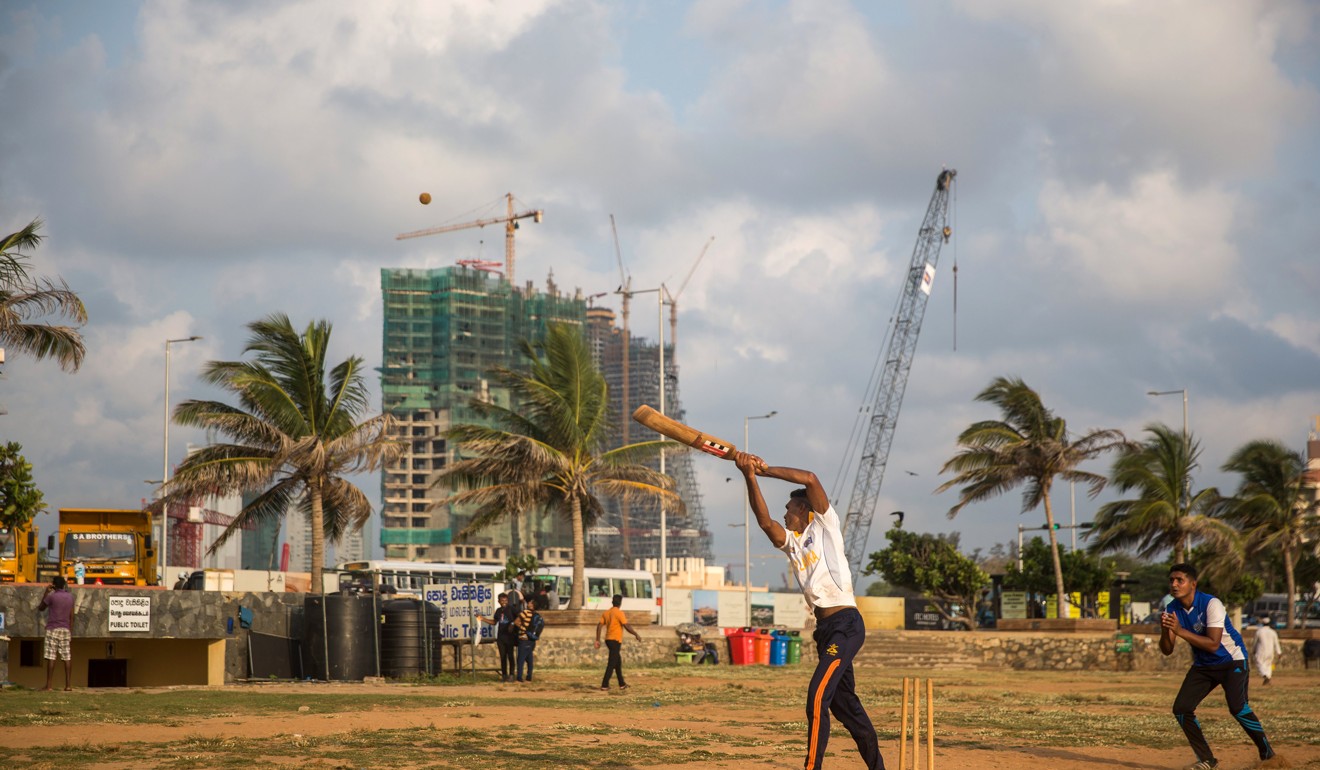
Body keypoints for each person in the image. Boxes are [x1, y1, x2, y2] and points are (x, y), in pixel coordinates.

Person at [734, 451, 883, 770]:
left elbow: (811, 478)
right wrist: (749, 476)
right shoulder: (792, 542)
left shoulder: (826, 526)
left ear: (804, 509)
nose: (784, 514)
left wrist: (764, 469)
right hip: (825, 631)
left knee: (817, 697)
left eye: (788, 509)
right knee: (846, 708)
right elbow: (764, 522)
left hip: (846, 624)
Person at [1161, 563, 1284, 769]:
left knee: (1237, 708)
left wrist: (1180, 631)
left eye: (1179, 580)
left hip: (1232, 661)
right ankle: (1207, 760)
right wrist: (1167, 630)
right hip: (1204, 665)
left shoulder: (1211, 603)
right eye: (1171, 580)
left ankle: (1267, 752)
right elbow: (1167, 650)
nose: (1174, 584)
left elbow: (1213, 643)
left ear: (1193, 584)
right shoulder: (1172, 608)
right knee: (1181, 709)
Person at [596, 593, 641, 691]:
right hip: (615, 640)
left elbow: (599, 625)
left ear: (612, 602)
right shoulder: (619, 613)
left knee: (617, 662)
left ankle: (622, 684)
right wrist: (636, 634)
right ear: (620, 603)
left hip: (608, 640)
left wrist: (597, 639)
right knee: (612, 663)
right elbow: (626, 626)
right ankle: (604, 685)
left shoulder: (606, 613)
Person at [38, 576, 75, 691]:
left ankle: (49, 685)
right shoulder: (70, 597)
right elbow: (72, 616)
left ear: (54, 585)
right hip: (65, 629)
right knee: (67, 657)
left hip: (53, 628)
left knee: (51, 656)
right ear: (64, 585)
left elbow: (41, 608)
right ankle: (68, 685)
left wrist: (46, 592)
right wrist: (70, 630)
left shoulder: (51, 597)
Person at [476, 593, 517, 682]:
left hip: (509, 636)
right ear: (499, 601)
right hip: (501, 637)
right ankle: (504, 675)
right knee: (503, 657)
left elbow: (519, 617)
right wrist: (483, 619)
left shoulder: (511, 609)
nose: (504, 602)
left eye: (505, 600)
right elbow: (494, 622)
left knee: (510, 655)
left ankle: (512, 674)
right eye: (502, 601)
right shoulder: (498, 611)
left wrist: (513, 624)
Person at [512, 599, 542, 683]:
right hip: (531, 639)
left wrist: (522, 629)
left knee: (520, 659)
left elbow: (516, 622)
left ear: (532, 605)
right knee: (529, 659)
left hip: (523, 638)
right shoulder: (537, 615)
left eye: (529, 602)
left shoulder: (525, 613)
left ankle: (519, 677)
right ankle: (529, 677)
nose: (528, 603)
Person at [1252, 615, 1281, 686]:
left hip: (1261, 651)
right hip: (1270, 652)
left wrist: (1253, 650)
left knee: (1259, 663)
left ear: (1262, 623)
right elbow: (1276, 643)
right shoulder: (1273, 632)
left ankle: (1265, 676)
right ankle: (1268, 678)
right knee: (1268, 665)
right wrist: (1279, 652)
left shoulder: (1259, 631)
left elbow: (1255, 642)